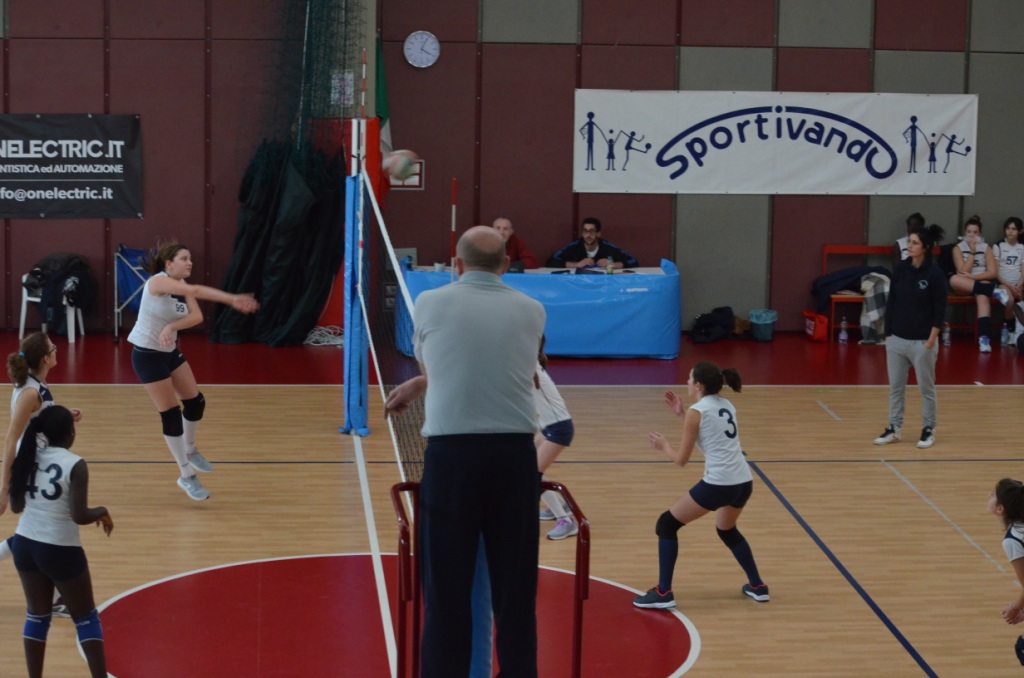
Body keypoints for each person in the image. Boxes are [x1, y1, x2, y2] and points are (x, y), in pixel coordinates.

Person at [384, 225, 545, 677]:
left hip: (452, 461)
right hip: (515, 460)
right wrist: (424, 382)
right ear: (506, 265)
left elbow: (437, 360)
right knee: (516, 595)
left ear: (456, 265)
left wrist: (420, 381)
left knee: (446, 594)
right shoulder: (532, 310)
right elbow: (496, 358)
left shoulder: (430, 303)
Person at [127, 242, 259, 501]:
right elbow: (196, 291)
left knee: (195, 402)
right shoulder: (158, 282)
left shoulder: (182, 287)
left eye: (190, 259)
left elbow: (196, 317)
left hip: (168, 352)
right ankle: (186, 475)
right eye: (184, 258)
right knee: (171, 414)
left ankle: (190, 449)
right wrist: (232, 299)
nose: (190, 263)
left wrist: (171, 327)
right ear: (169, 264)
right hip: (147, 355)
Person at [634, 361, 768, 610]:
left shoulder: (697, 412)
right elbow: (708, 433)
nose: (686, 382)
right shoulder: (726, 405)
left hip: (720, 484)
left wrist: (664, 446)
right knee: (727, 530)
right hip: (742, 481)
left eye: (689, 379)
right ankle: (758, 586)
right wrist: (681, 415)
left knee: (666, 524)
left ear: (698, 385)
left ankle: (663, 592)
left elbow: (681, 460)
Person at [8, 405, 113, 678]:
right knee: (86, 618)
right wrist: (101, 511)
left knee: (37, 616)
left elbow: (17, 506)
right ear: (71, 433)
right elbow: (79, 515)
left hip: (24, 544)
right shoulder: (75, 464)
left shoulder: (27, 455)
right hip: (59, 548)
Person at [0, 332, 82, 618]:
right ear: (45, 359)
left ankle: (56, 598)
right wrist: (4, 487)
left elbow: (38, 419)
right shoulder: (30, 393)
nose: (57, 350)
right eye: (53, 348)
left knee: (35, 532)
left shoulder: (37, 386)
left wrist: (63, 415)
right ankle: (57, 599)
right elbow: (11, 439)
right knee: (45, 532)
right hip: (31, 467)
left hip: (40, 464)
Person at [874, 224, 946, 449]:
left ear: (925, 247)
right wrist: (888, 334)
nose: (909, 246)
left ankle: (928, 429)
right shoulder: (901, 269)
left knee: (926, 389)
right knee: (896, 388)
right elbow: (892, 302)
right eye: (909, 241)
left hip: (922, 343)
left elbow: (940, 311)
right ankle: (894, 428)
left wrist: (931, 340)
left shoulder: (935, 274)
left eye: (914, 243)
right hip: (897, 340)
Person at [534, 336, 577, 541]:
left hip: (558, 428)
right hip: (546, 428)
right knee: (530, 468)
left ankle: (566, 522)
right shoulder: (526, 363)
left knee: (531, 474)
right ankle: (559, 505)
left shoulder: (527, 366)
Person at [948, 216, 1008, 353]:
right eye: (969, 232)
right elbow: (962, 271)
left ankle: (984, 338)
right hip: (964, 283)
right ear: (965, 233)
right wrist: (972, 252)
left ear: (980, 234)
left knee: (983, 295)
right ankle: (994, 291)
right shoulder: (957, 248)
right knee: (954, 279)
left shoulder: (986, 248)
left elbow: (992, 272)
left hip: (981, 280)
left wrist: (974, 277)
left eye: (975, 232)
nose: (972, 235)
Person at [987, 478, 1024, 666]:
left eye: (993, 495)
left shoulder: (1013, 539)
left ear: (1001, 509)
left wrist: (1016, 607)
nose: (989, 496)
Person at [546, 217, 638, 269]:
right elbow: (551, 261)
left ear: (598, 234)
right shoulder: (574, 247)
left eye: (592, 232)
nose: (588, 235)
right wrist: (576, 264)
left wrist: (612, 265)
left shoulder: (608, 247)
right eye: (585, 231)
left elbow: (633, 261)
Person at [993, 217, 1024, 344]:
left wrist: (1020, 285)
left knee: (1021, 300)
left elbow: (1023, 269)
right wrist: (1011, 287)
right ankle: (1010, 329)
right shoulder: (998, 245)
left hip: (1019, 283)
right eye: (1008, 228)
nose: (1010, 231)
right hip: (1003, 283)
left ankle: (1020, 331)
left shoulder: (1022, 246)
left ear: (1020, 231)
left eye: (1014, 229)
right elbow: (996, 273)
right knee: (1009, 300)